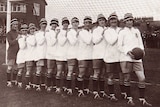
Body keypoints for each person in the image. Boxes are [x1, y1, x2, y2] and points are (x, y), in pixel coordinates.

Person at [118, 13, 152, 106]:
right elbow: (119, 46)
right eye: (127, 20)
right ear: (125, 22)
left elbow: (140, 43)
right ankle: (129, 98)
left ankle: (142, 99)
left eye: (131, 20)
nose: (129, 22)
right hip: (126, 58)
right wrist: (128, 52)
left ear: (133, 21)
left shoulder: (136, 31)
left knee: (142, 78)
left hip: (137, 59)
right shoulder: (122, 32)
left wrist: (142, 51)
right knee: (127, 78)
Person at [103, 12, 121, 101]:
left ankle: (124, 93)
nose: (113, 21)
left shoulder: (120, 29)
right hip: (110, 57)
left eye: (115, 19)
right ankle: (112, 94)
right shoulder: (107, 31)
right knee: (110, 76)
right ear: (109, 21)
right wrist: (119, 34)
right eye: (112, 20)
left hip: (120, 57)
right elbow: (111, 41)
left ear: (117, 20)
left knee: (121, 76)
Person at [92, 14, 108, 99]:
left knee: (102, 74)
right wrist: (102, 34)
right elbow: (94, 41)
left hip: (105, 55)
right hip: (97, 54)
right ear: (98, 22)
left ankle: (102, 92)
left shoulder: (107, 29)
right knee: (97, 73)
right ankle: (95, 92)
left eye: (103, 20)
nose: (102, 22)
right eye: (100, 20)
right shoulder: (96, 30)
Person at [77, 16, 93, 97]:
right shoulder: (81, 32)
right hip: (82, 56)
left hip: (90, 56)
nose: (87, 24)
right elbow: (88, 41)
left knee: (88, 74)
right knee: (81, 73)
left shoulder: (91, 31)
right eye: (86, 22)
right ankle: (80, 90)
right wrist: (92, 33)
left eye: (89, 23)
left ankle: (86, 89)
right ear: (83, 24)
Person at [55, 17, 69, 94]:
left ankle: (64, 86)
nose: (65, 24)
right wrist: (66, 36)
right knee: (59, 71)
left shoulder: (70, 31)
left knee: (66, 72)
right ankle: (58, 87)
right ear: (62, 24)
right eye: (64, 23)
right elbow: (61, 43)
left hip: (67, 55)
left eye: (67, 23)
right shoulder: (60, 32)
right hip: (60, 55)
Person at [66, 17, 79, 95]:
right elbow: (73, 42)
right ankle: (69, 88)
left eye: (76, 22)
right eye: (74, 22)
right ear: (72, 23)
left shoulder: (80, 31)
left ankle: (77, 88)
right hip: (71, 54)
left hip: (79, 54)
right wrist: (77, 35)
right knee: (70, 71)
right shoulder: (69, 32)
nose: (75, 23)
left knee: (78, 72)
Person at [45, 18, 59, 92]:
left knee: (55, 71)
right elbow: (51, 43)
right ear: (51, 25)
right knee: (50, 71)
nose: (54, 25)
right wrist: (56, 36)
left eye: (55, 24)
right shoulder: (48, 32)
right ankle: (48, 86)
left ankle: (54, 85)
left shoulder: (57, 31)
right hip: (50, 54)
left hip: (56, 54)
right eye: (53, 24)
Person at [34, 18, 47, 91]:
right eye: (42, 24)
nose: (44, 25)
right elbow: (40, 42)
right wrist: (44, 35)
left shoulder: (47, 32)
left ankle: (42, 84)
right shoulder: (37, 33)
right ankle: (37, 85)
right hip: (39, 54)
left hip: (46, 54)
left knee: (44, 70)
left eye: (45, 24)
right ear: (40, 25)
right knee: (39, 70)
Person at [6, 18, 19, 87]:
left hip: (18, 52)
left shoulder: (18, 33)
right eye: (14, 24)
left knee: (16, 68)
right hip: (11, 52)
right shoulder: (9, 33)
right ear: (11, 25)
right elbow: (10, 43)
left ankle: (14, 80)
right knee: (10, 67)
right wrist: (17, 39)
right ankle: (8, 81)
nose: (15, 26)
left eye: (16, 24)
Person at [25, 23, 37, 90]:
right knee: (28, 70)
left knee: (33, 71)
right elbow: (33, 43)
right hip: (29, 56)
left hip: (34, 56)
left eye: (34, 29)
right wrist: (35, 36)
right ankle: (27, 84)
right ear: (29, 30)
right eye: (31, 29)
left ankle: (31, 82)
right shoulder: (28, 37)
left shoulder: (34, 36)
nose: (33, 30)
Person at [16, 24, 28, 88]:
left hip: (28, 55)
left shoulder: (28, 36)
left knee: (27, 70)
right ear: (21, 31)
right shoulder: (20, 37)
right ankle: (19, 82)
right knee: (20, 69)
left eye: (26, 30)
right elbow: (22, 46)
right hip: (21, 55)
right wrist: (25, 40)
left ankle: (27, 83)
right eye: (23, 30)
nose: (24, 32)